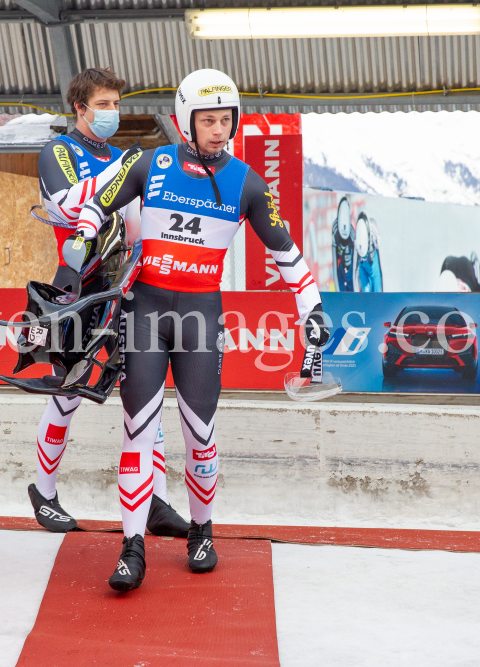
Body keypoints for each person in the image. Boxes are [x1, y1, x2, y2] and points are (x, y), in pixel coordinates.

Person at [73, 69, 330, 591]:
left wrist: (313, 308)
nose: (218, 129)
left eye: (225, 119)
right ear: (186, 121)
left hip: (199, 318)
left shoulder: (248, 183)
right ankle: (131, 547)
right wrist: (79, 243)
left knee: (200, 435)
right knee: (137, 430)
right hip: (144, 310)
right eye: (207, 119)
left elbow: (287, 255)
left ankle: (202, 531)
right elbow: (92, 206)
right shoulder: (151, 162)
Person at [29, 67, 189, 539]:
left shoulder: (122, 157)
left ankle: (153, 499)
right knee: (68, 391)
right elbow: (66, 203)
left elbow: (140, 223)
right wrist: (121, 176)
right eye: (102, 104)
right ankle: (44, 491)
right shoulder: (58, 150)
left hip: (127, 287)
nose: (111, 113)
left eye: (116, 104)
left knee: (145, 395)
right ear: (78, 107)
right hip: (77, 284)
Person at [331, 197, 357, 291]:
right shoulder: (335, 231)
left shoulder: (352, 235)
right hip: (341, 266)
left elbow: (355, 264)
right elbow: (334, 266)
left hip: (350, 267)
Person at [354, 212, 382, 292]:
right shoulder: (357, 242)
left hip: (374, 265)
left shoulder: (374, 234)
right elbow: (355, 269)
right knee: (365, 293)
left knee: (377, 293)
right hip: (363, 266)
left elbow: (380, 258)